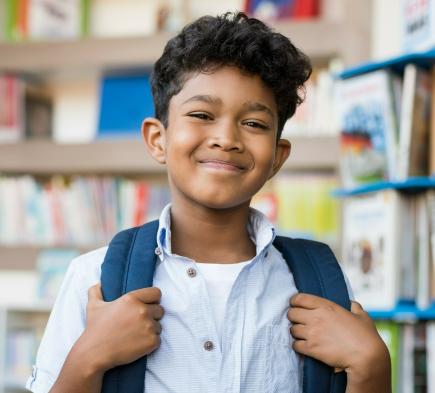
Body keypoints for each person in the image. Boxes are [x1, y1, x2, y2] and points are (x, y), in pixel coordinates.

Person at [26, 12, 391, 393]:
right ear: (157, 139)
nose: (226, 137)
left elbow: (360, 367)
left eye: (254, 123)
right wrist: (88, 359)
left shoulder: (319, 283)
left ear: (277, 156)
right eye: (202, 115)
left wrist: (372, 367)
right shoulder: (94, 279)